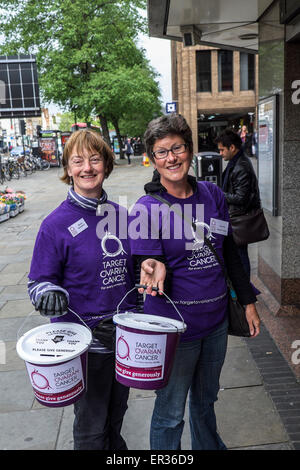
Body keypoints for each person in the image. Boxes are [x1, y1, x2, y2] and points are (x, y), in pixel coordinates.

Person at [129, 114, 260, 450]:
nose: (171, 158)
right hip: (175, 330)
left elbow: (229, 251)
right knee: (171, 412)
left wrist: (248, 302)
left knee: (206, 402)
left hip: (215, 324)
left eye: (177, 148)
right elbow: (145, 258)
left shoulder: (212, 195)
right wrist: (151, 265)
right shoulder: (145, 208)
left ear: (189, 150)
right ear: (153, 159)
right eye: (161, 152)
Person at [27, 129, 138, 450]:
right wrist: (48, 296)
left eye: (95, 159)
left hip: (125, 343)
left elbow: (134, 276)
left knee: (115, 419)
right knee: (90, 429)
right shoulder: (55, 224)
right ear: (68, 169)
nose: (87, 168)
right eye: (78, 161)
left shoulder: (121, 216)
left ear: (106, 164)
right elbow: (39, 283)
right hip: (83, 349)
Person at [216, 129, 261, 284]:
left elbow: (241, 198)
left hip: (239, 219)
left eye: (222, 149)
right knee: (236, 254)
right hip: (233, 216)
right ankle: (239, 284)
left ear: (232, 148)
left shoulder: (240, 166)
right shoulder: (236, 163)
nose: (220, 153)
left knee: (240, 255)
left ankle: (244, 288)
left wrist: (219, 194)